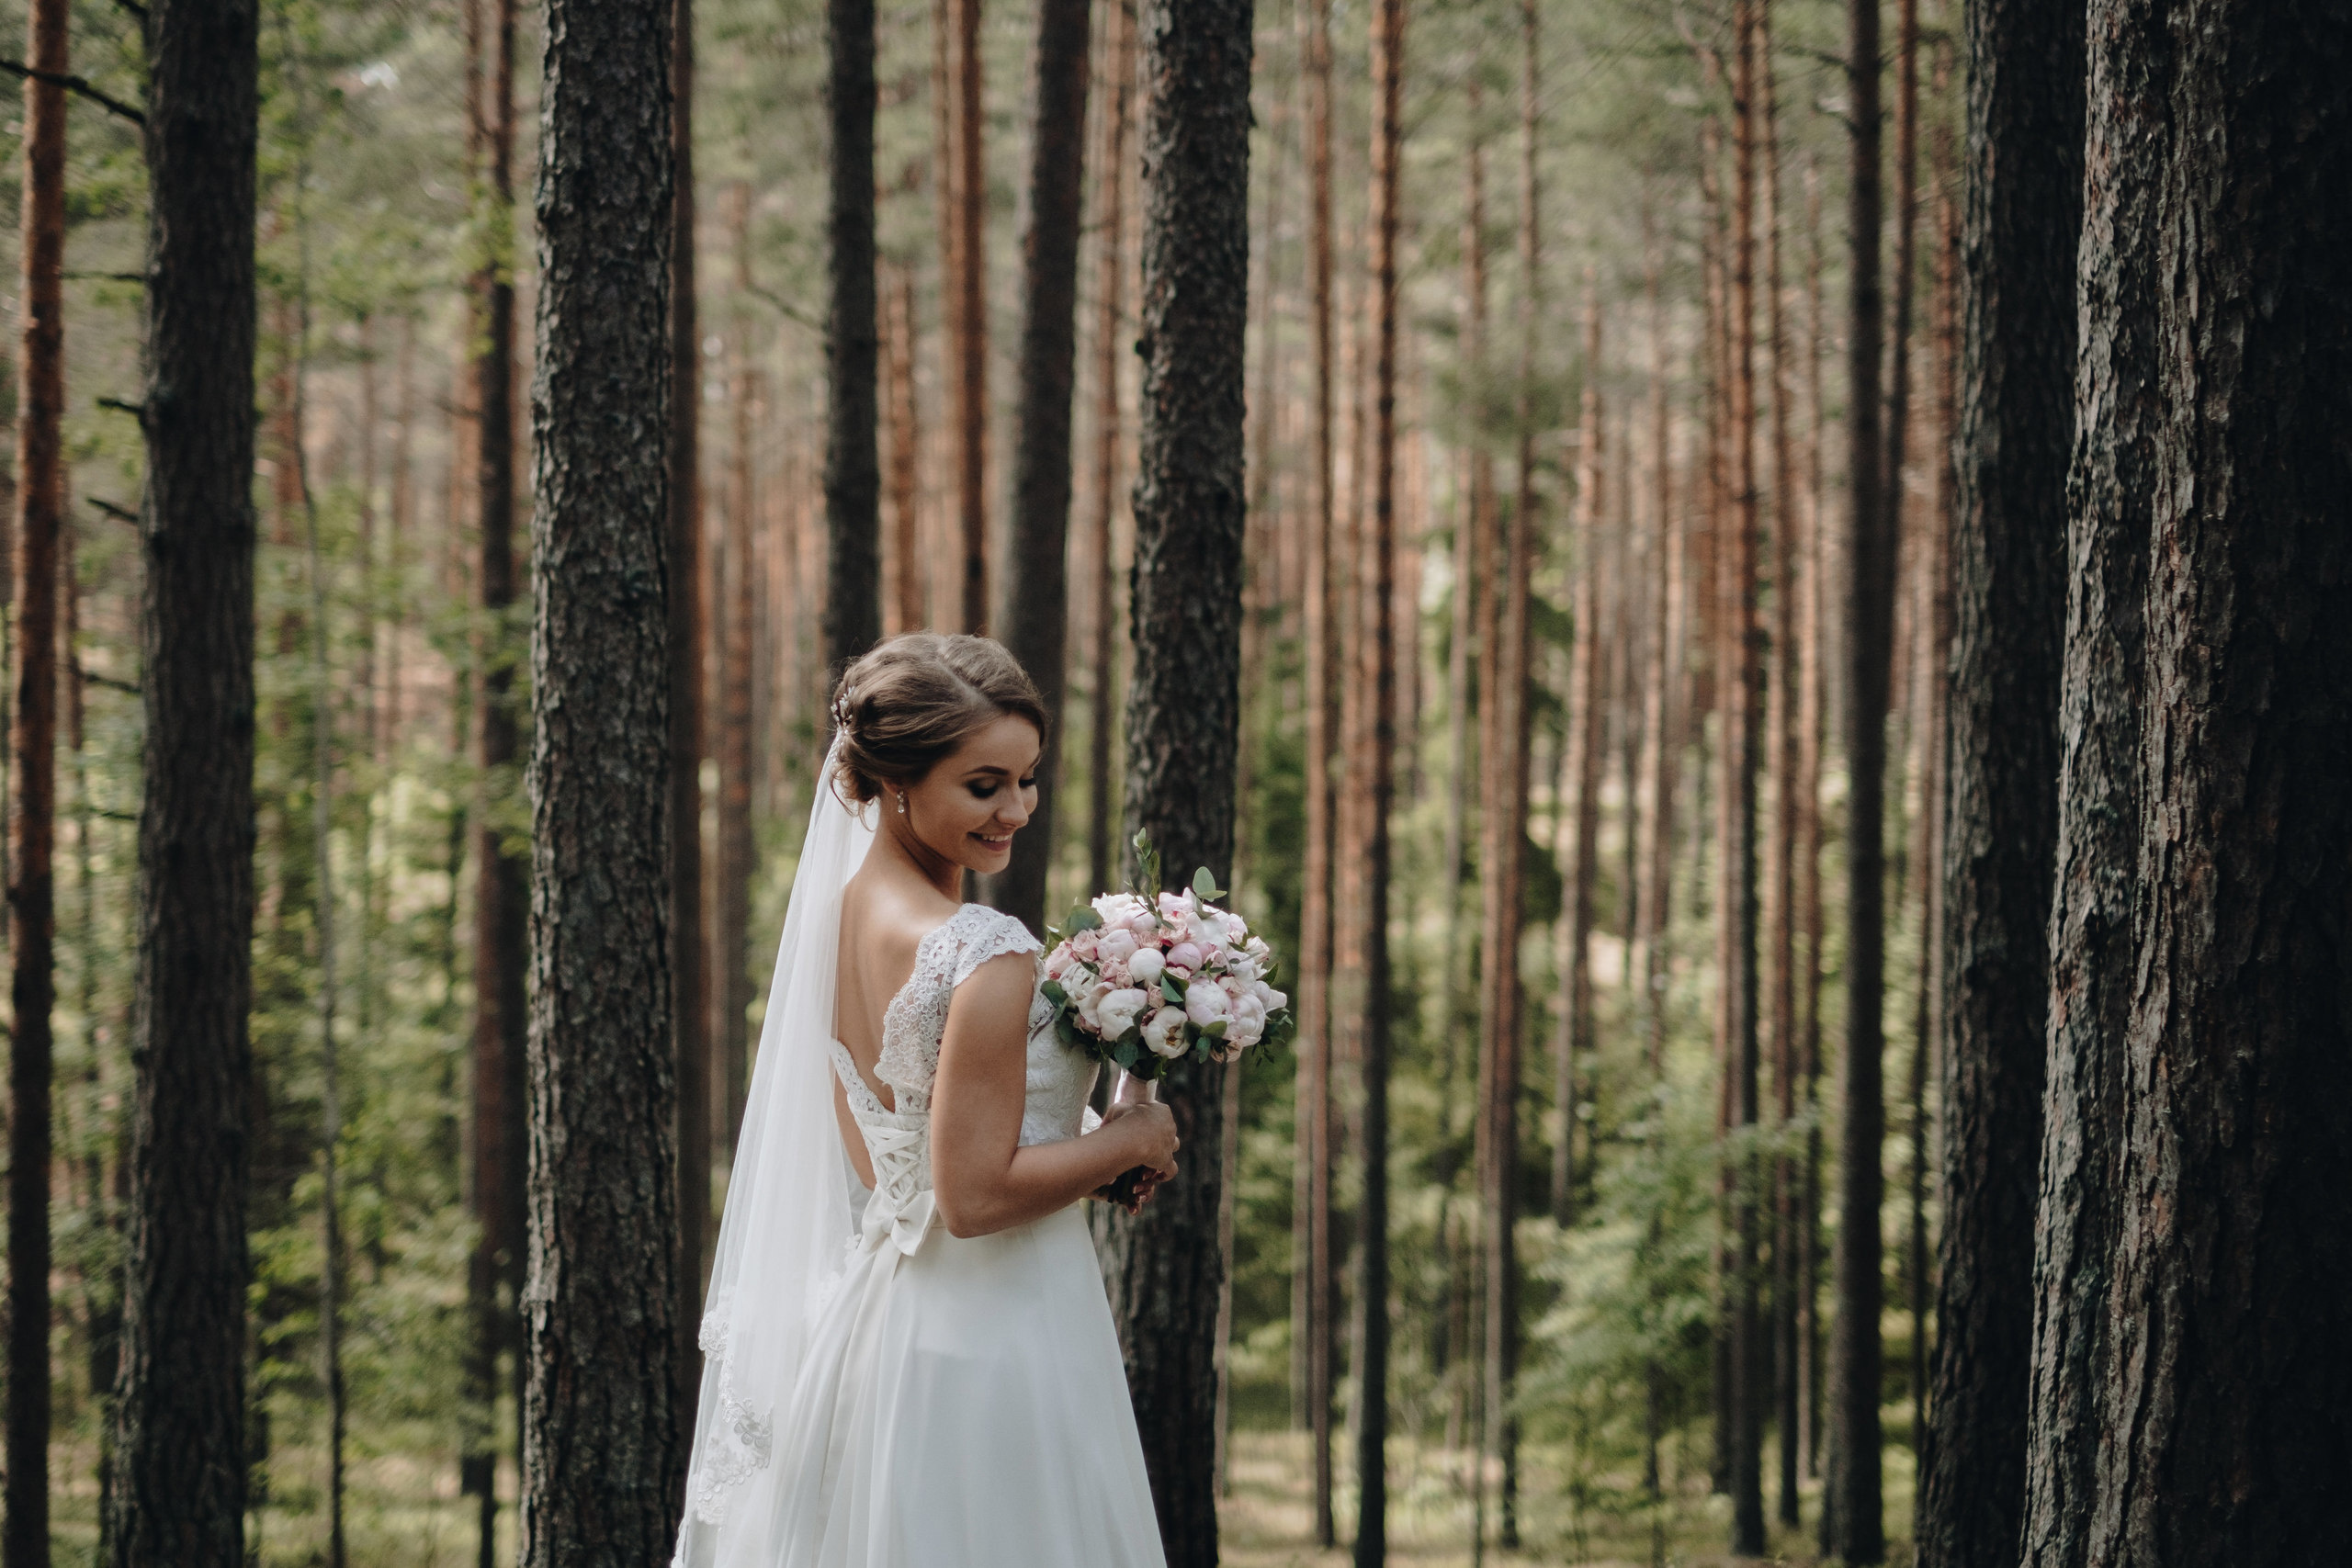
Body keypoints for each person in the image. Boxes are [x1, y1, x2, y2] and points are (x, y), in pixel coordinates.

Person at [674, 633, 1177, 1568]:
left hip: (880, 1323)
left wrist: (1077, 1155)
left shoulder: (832, 923)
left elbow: (893, 1160)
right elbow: (972, 1198)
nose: (1016, 811)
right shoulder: (983, 950)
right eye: (983, 785)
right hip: (994, 1337)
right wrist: (1129, 1137)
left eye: (1027, 780)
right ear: (896, 782)